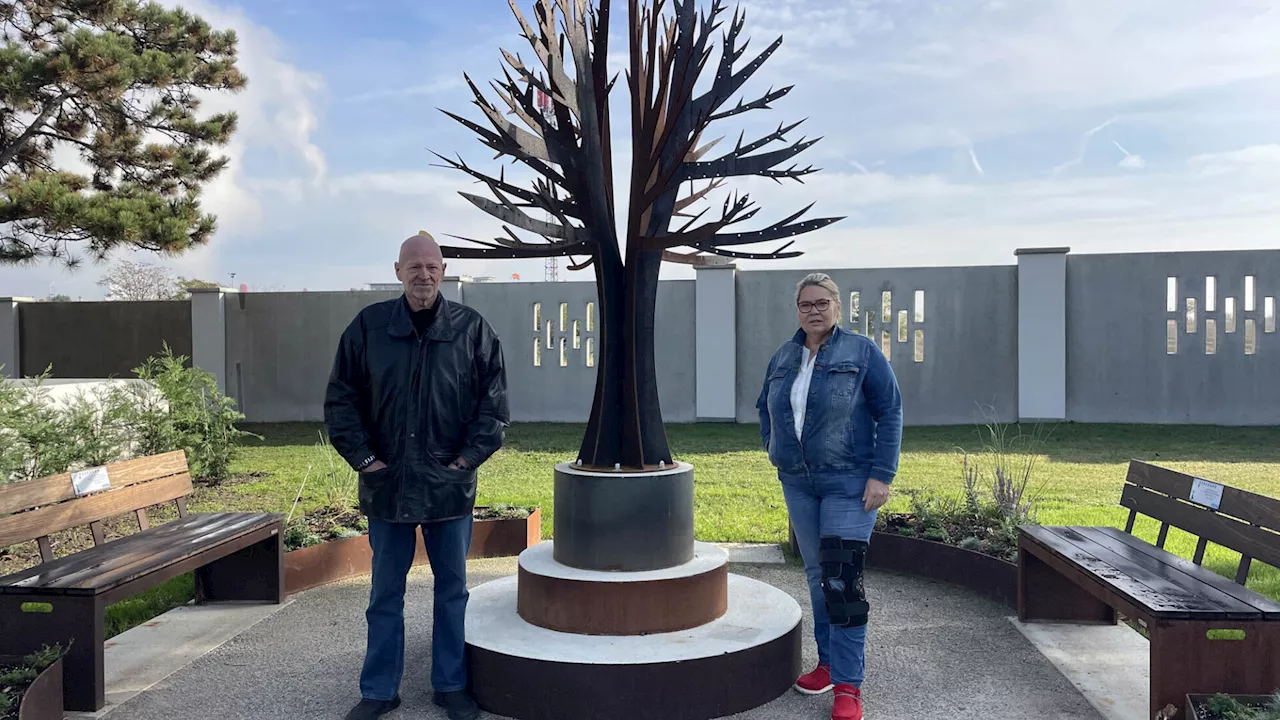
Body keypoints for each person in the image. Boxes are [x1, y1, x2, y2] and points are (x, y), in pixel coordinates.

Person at [324, 232, 509, 720]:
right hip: (388, 489)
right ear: (398, 270)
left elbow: (493, 412)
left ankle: (450, 686)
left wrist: (463, 464)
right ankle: (380, 690)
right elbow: (341, 402)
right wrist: (367, 462)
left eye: (431, 266)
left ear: (444, 271)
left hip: (449, 490)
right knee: (385, 593)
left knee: (452, 591)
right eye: (414, 266)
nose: (423, 275)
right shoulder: (368, 329)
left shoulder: (472, 331)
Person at [755, 273, 902, 720]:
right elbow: (765, 406)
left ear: (837, 306)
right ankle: (829, 663)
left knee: (842, 577)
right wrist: (773, 446)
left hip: (848, 482)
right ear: (797, 310)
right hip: (798, 482)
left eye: (821, 302)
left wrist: (881, 474)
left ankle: (849, 686)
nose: (813, 310)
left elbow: (890, 409)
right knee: (819, 573)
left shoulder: (862, 352)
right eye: (805, 304)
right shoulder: (785, 355)